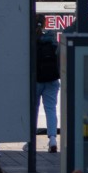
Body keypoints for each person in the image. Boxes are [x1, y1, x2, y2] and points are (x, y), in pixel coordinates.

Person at [34, 20, 61, 153]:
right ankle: (52, 139)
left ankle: (30, 141)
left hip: (36, 80)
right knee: (50, 109)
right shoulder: (52, 40)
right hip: (52, 80)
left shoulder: (31, 41)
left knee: (33, 110)